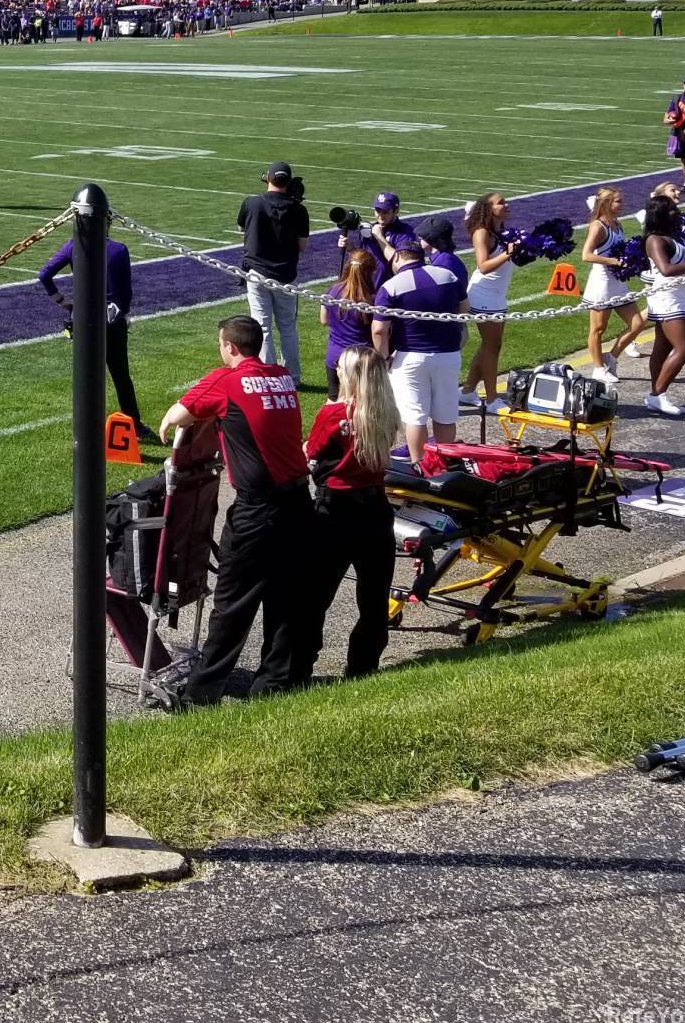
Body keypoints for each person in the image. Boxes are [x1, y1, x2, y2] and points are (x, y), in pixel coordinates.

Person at [161, 315, 311, 705]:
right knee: (286, 597)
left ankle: (201, 693)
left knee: (232, 601)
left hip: (258, 510)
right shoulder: (281, 377)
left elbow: (172, 420)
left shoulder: (227, 380)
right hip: (298, 503)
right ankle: (275, 684)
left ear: (229, 346)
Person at [293, 344, 398, 685]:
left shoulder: (335, 414)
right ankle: (363, 667)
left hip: (335, 511)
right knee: (374, 598)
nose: (335, 371)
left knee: (313, 597)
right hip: (377, 512)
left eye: (340, 368)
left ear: (350, 376)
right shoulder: (386, 411)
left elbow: (309, 452)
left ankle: (300, 668)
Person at [370, 230, 467, 456]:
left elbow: (379, 330)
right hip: (448, 355)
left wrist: (383, 358)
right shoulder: (447, 276)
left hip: (410, 357)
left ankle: (419, 465)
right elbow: (463, 309)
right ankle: (443, 463)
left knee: (415, 416)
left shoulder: (391, 286)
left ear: (397, 258)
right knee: (445, 416)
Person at [36, 222, 140, 424]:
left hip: (83, 318)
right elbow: (125, 291)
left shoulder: (73, 245)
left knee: (88, 377)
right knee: (120, 376)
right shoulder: (118, 249)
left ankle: (87, 426)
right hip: (111, 319)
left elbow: (44, 275)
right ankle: (133, 423)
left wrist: (61, 301)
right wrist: (124, 313)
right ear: (107, 222)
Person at [236, 163, 312, 384]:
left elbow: (242, 228)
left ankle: (267, 376)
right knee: (287, 327)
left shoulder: (252, 203)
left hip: (256, 272)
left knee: (262, 326)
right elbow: (302, 244)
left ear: (267, 178)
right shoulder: (298, 210)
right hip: (286, 275)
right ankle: (292, 377)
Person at [579, 186, 646, 385]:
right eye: (618, 201)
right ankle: (598, 368)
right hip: (602, 283)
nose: (622, 204)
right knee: (599, 328)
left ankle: (611, 357)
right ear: (607, 204)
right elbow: (586, 255)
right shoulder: (598, 226)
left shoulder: (617, 224)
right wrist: (615, 262)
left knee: (637, 323)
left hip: (618, 282)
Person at [638, 194, 685, 416]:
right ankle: (656, 395)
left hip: (678, 295)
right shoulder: (655, 240)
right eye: (672, 209)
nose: (677, 211)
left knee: (662, 347)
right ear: (660, 214)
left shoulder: (674, 236)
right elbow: (666, 269)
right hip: (666, 298)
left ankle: (657, 394)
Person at [460, 191, 514, 413]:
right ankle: (491, 399)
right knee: (493, 346)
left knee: (490, 345)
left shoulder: (501, 231)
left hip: (496, 294)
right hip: (483, 295)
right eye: (501, 202)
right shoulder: (481, 233)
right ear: (488, 208)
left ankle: (468, 391)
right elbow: (483, 265)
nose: (506, 204)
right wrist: (508, 254)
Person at [320, 247, 377, 396]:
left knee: (334, 400)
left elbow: (323, 320)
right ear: (369, 272)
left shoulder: (333, 291)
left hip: (335, 357)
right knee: (362, 405)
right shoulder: (371, 299)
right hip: (361, 359)